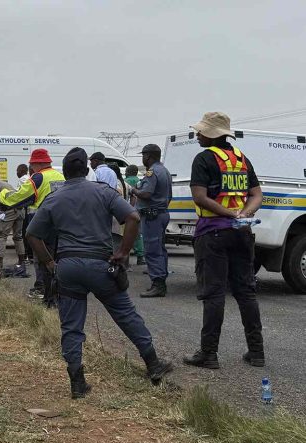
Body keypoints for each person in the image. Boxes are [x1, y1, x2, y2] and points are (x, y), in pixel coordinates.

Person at [26, 147, 173, 399]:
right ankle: (153, 364)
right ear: (86, 170)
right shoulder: (103, 192)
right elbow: (134, 218)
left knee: (71, 327)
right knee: (125, 314)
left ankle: (77, 382)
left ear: (65, 172)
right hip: (100, 265)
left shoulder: (53, 199)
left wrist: (50, 264)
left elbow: (32, 234)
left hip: (68, 267)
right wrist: (123, 252)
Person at [182, 111, 265, 369]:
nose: (197, 135)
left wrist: (228, 213)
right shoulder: (241, 160)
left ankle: (208, 354)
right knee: (246, 292)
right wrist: (243, 214)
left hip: (213, 234)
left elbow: (199, 197)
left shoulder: (203, 159)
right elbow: (256, 195)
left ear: (211, 134)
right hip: (242, 232)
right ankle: (257, 352)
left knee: (214, 294)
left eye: (201, 131)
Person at [0, 149, 65, 300]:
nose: (31, 168)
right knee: (56, 258)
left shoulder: (38, 177)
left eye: (32, 165)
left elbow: (17, 198)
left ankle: (43, 290)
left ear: (38, 163)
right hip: (61, 223)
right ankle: (56, 292)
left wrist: (2, 194)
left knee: (42, 258)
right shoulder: (60, 176)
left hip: (43, 223)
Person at [130, 144, 173, 297]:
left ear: (148, 156)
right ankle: (161, 279)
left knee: (153, 250)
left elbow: (146, 194)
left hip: (152, 216)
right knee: (160, 249)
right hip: (161, 213)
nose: (143, 159)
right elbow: (169, 196)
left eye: (143, 156)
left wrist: (133, 190)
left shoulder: (152, 172)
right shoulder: (165, 171)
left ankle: (158, 284)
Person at [0, 176, 26, 271]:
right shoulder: (5, 184)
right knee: (18, 236)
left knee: (2, 236)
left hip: (11, 209)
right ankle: (22, 262)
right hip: (20, 209)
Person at [124, 165, 146, 266]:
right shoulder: (140, 181)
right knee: (138, 234)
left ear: (128, 172)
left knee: (124, 234)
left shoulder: (125, 181)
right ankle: (140, 257)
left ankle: (124, 259)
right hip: (138, 210)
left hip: (125, 210)